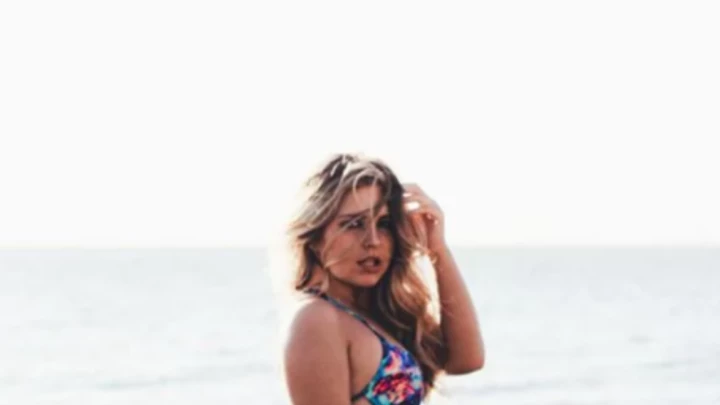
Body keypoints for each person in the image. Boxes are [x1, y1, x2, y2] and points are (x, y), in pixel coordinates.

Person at [281, 153, 484, 405]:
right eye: (354, 224)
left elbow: (466, 360)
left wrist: (437, 248)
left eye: (384, 223)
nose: (373, 240)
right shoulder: (316, 319)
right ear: (315, 237)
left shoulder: (377, 315)